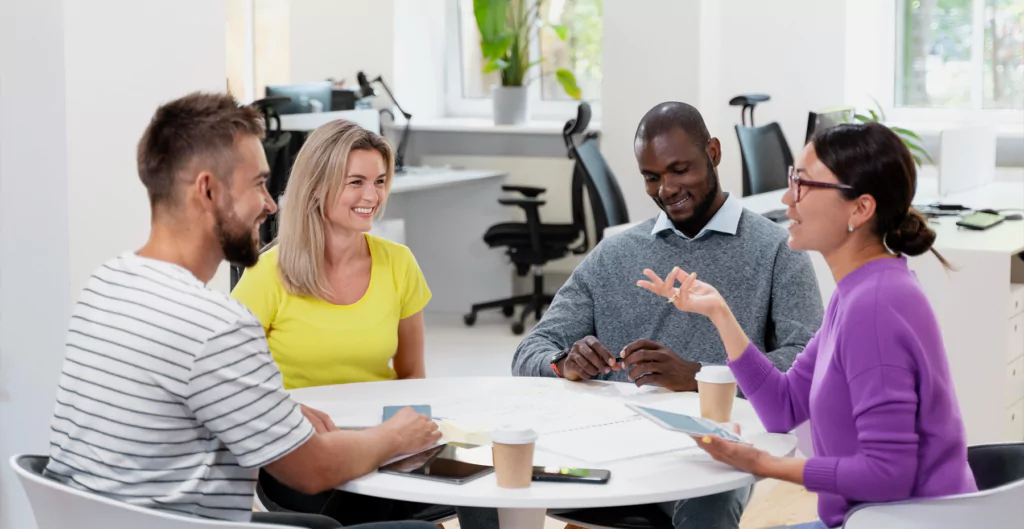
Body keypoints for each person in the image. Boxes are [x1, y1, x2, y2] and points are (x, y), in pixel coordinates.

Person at [44, 92, 442, 529]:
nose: (271, 205)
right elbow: (309, 471)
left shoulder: (108, 284)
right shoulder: (217, 327)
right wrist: (396, 437)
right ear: (208, 190)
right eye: (258, 184)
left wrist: (275, 409)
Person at [638, 122, 978, 529]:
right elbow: (782, 408)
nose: (787, 199)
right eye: (791, 180)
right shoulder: (859, 290)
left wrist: (763, 464)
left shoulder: (874, 307)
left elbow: (889, 475)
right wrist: (720, 315)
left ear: (860, 208)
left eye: (803, 185)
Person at [511, 101, 824, 529]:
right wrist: (563, 363)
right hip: (611, 445)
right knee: (498, 475)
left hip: (712, 450)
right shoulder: (615, 254)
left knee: (708, 504)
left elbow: (806, 364)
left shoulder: (776, 252)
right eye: (651, 177)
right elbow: (530, 351)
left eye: (680, 170)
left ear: (713, 153)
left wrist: (699, 377)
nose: (666, 188)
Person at [231, 120, 495, 529]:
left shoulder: (398, 263)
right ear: (317, 185)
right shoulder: (268, 273)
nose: (371, 196)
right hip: (301, 450)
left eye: (380, 181)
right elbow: (228, 380)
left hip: (384, 438)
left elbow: (411, 376)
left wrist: (408, 439)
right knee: (393, 507)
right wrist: (285, 408)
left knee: (483, 478)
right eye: (355, 181)